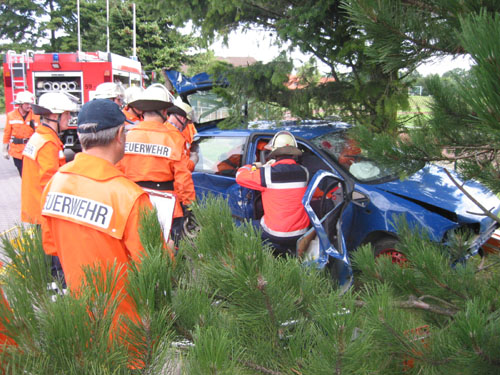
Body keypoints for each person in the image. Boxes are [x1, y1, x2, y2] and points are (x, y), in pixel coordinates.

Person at [40, 99, 156, 330]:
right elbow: (153, 267)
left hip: (79, 320)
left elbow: (51, 246)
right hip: (123, 326)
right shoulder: (131, 197)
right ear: (120, 134)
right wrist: (170, 250)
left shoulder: (55, 183)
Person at [118, 84, 196, 243]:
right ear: (165, 112)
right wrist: (189, 207)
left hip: (132, 202)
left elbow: (117, 172)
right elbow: (183, 180)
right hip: (167, 207)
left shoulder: (127, 136)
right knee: (169, 251)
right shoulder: (173, 140)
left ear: (143, 111)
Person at [235, 131, 310, 254]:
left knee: (243, 226)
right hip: (301, 233)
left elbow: (239, 176)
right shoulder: (304, 172)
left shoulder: (267, 174)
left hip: (275, 233)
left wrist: (253, 166)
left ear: (275, 154)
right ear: (293, 154)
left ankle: (255, 257)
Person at [21, 92, 78, 225]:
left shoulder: (39, 136)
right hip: (45, 214)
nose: (69, 117)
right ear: (54, 116)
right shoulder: (48, 144)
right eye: (67, 114)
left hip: (36, 208)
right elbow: (50, 183)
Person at [2, 91, 40, 176]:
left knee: (31, 174)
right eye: (27, 104)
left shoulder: (35, 116)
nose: (29, 106)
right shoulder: (11, 115)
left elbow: (39, 133)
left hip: (31, 149)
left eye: (30, 103)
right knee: (22, 174)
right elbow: (7, 133)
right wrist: (4, 149)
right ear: (20, 104)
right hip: (17, 151)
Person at [167, 98, 199, 171]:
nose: (187, 125)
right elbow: (184, 168)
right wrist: (194, 159)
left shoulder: (162, 129)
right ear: (182, 119)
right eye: (187, 122)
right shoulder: (176, 138)